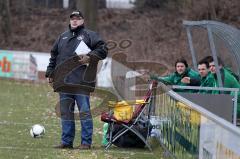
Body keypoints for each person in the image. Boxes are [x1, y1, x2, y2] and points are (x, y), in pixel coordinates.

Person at [45, 10, 108, 149]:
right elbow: (54, 56)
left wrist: (90, 56)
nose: (74, 20)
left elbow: (103, 50)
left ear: (82, 20)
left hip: (82, 82)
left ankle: (86, 142)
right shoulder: (62, 37)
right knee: (66, 113)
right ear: (69, 21)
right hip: (63, 82)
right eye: (72, 18)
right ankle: (66, 142)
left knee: (84, 112)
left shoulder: (90, 35)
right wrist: (50, 72)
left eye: (78, 18)